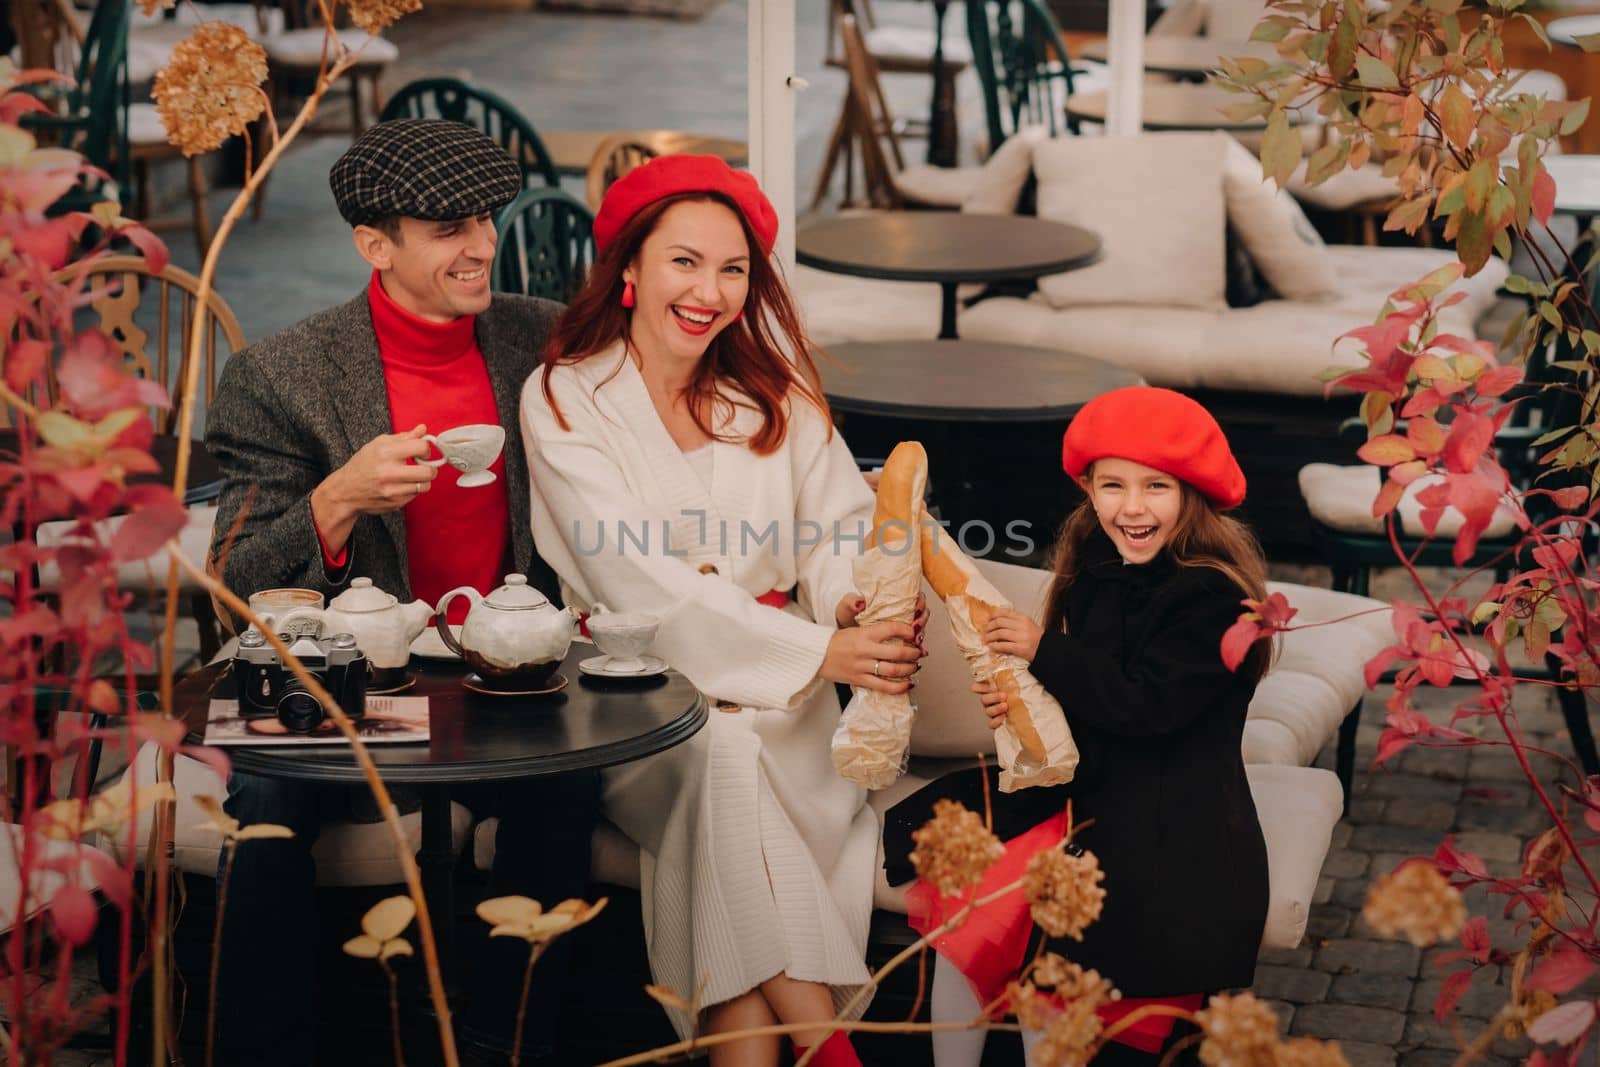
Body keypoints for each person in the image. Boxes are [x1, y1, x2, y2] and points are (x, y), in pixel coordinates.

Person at [204, 119, 600, 1066]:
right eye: (446, 228)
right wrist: (338, 496)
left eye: (483, 219)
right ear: (374, 246)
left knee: (565, 788)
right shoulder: (284, 374)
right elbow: (232, 586)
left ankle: (514, 1046)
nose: (480, 246)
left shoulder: (538, 338)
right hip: (356, 684)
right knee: (260, 808)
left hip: (508, 672)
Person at [519, 154, 926, 1067]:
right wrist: (820, 648)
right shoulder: (564, 399)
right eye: (685, 262)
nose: (710, 291)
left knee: (737, 773)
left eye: (733, 268)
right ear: (628, 267)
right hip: (639, 709)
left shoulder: (774, 392)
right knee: (718, 751)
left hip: (792, 715)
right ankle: (830, 1050)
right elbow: (635, 583)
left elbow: (838, 529)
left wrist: (848, 598)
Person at [882, 386, 1273, 1067]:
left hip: (1168, 824)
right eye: (1112, 483)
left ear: (1193, 493)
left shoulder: (1214, 596)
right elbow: (1094, 693)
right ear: (1087, 486)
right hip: (1089, 793)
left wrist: (1043, 651)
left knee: (1057, 974)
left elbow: (1147, 707)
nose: (1131, 506)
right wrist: (1030, 706)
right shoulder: (1098, 562)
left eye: (1156, 486)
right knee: (970, 929)